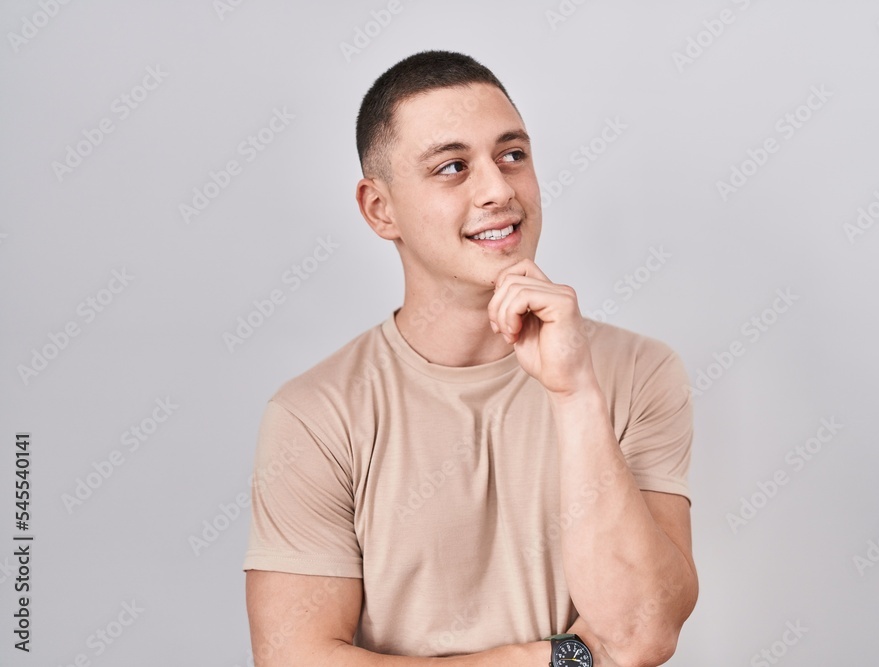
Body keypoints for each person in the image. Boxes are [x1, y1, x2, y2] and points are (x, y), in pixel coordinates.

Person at [243, 50, 697, 667]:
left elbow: (642, 636)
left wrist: (574, 393)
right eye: (453, 167)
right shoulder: (316, 415)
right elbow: (294, 660)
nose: (499, 189)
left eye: (513, 155)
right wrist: (551, 659)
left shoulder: (638, 372)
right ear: (381, 209)